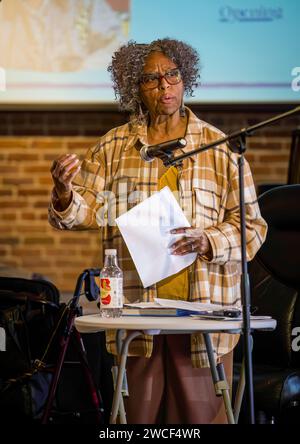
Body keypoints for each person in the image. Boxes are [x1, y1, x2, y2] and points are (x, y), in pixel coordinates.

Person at [48, 38, 267, 424]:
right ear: (136, 88)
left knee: (199, 420)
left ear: (186, 79)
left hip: (203, 312)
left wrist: (208, 240)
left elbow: (252, 229)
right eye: (152, 79)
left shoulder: (220, 148)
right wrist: (65, 193)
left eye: (172, 75)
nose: (165, 86)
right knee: (137, 419)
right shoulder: (114, 147)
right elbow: (86, 212)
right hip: (137, 313)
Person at [0, 0, 127, 72]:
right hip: (18, 105)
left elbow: (118, 47)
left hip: (77, 103)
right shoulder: (3, 10)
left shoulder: (86, 5)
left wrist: (83, 69)